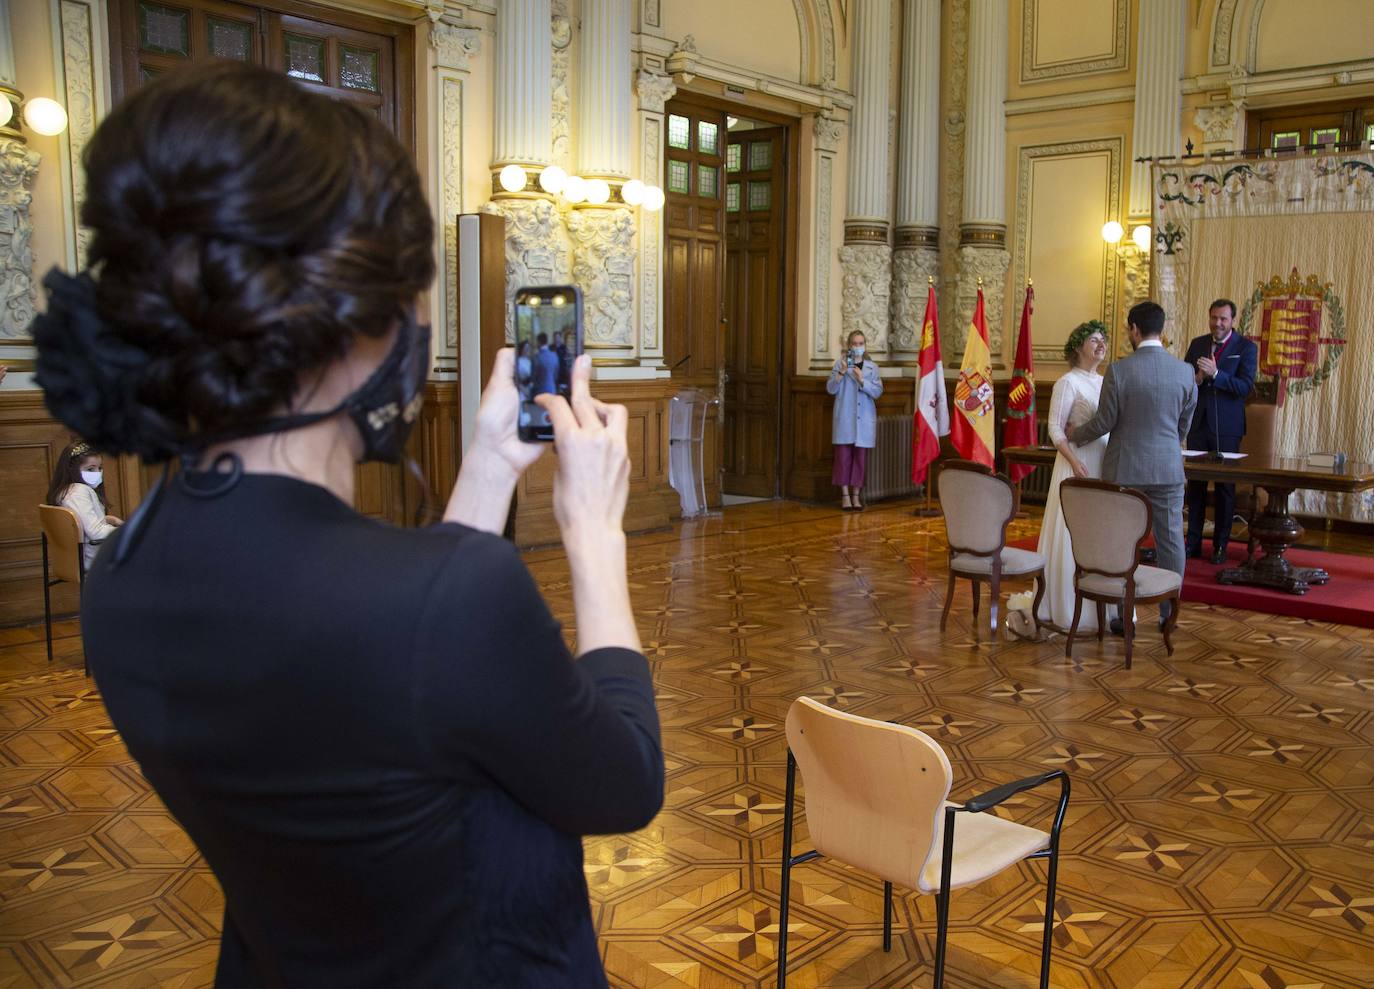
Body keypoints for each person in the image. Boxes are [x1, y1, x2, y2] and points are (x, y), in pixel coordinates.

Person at [32, 62, 662, 988]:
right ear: (364, 330)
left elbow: (398, 686)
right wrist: (596, 534)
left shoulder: (124, 570)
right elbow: (626, 782)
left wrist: (487, 467)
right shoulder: (447, 600)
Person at [1071, 300, 1197, 633]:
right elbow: (1185, 425)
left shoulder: (1120, 370)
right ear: (1163, 330)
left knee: (1121, 540)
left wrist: (1075, 435)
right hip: (1168, 468)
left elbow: (1104, 422)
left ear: (1134, 330)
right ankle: (1169, 614)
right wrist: (1169, 442)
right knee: (1171, 540)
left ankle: (1119, 615)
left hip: (1125, 468)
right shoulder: (1184, 372)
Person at [1035, 322, 1109, 631]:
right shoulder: (1067, 382)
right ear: (1078, 346)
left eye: (1103, 340)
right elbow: (1055, 428)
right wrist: (1074, 460)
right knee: (1071, 532)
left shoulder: (1106, 382)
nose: (1101, 345)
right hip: (1076, 464)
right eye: (1094, 340)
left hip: (1102, 463)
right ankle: (1065, 603)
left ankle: (1101, 603)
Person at [1184, 298, 1257, 563]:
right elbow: (1185, 381)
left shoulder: (1245, 348)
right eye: (1214, 317)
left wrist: (1216, 375)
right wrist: (1197, 379)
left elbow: (1246, 387)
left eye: (1223, 319)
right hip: (1198, 424)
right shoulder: (1197, 344)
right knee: (1196, 486)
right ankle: (1192, 542)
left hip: (1227, 428)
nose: (1218, 323)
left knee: (1225, 487)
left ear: (1233, 321)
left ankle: (1220, 546)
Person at [45, 440, 124, 570]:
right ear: (72, 469)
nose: (97, 473)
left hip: (82, 558)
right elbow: (96, 533)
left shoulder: (66, 491)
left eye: (100, 468)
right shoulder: (78, 492)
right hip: (95, 560)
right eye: (90, 469)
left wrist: (109, 519)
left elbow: (80, 521)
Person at [826, 330, 883, 510]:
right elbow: (831, 389)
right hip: (844, 417)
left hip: (864, 419)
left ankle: (856, 496)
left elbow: (877, 392)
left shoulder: (872, 367)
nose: (857, 347)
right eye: (854, 344)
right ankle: (845, 496)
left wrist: (862, 380)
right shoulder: (840, 364)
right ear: (849, 346)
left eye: (861, 343)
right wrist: (841, 373)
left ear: (864, 345)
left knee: (860, 459)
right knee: (843, 457)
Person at [535, 331, 560, 396]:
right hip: (552, 389)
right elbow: (556, 374)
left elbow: (534, 376)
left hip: (540, 391)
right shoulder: (554, 355)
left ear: (538, 342)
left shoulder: (536, 357)